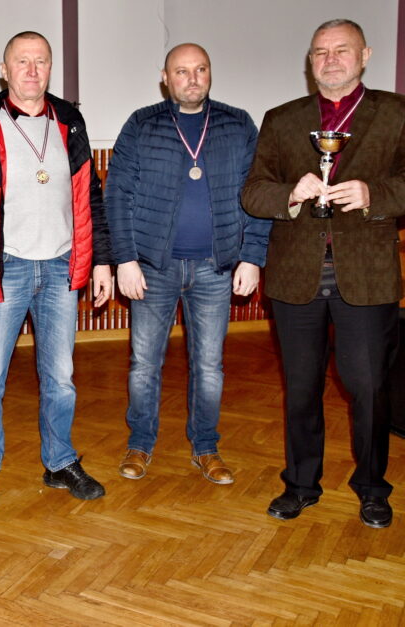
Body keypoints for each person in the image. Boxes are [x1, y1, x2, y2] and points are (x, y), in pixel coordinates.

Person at [242, 19, 404, 529]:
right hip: (296, 276)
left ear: (365, 55)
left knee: (369, 387)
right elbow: (253, 191)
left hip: (367, 274)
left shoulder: (396, 113)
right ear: (309, 61)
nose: (330, 59)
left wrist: (375, 194)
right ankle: (300, 484)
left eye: (341, 50)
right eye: (320, 52)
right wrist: (290, 193)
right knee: (301, 388)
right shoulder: (282, 119)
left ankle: (372, 487)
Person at [0, 31, 113, 511]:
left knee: (61, 377)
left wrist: (101, 259)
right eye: (22, 61)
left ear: (50, 68)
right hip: (4, 268)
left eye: (41, 61)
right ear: (4, 70)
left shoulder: (71, 122)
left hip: (61, 267)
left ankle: (60, 461)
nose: (32, 70)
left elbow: (91, 195)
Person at [105, 43, 270, 484]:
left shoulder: (238, 125)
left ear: (210, 73)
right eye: (182, 71)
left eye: (200, 69)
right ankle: (140, 443)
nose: (192, 79)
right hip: (153, 267)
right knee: (144, 365)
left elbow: (258, 195)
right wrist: (125, 259)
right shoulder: (142, 124)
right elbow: (117, 193)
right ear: (165, 78)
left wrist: (252, 257)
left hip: (216, 268)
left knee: (210, 367)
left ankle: (206, 447)